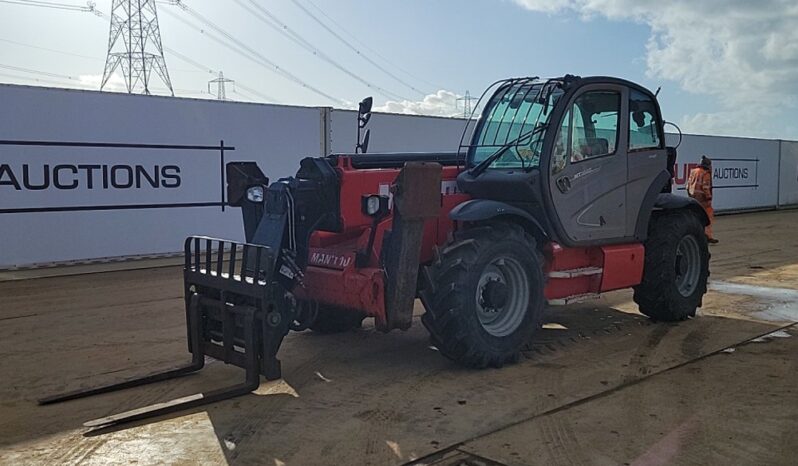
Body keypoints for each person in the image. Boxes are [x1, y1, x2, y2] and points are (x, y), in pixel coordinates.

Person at [687, 155, 718, 244]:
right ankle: (707, 236)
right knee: (707, 217)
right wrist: (708, 197)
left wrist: (690, 195)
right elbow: (705, 187)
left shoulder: (693, 172)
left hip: (693, 197)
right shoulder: (705, 174)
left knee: (696, 217)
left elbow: (688, 185)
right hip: (703, 199)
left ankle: (696, 235)